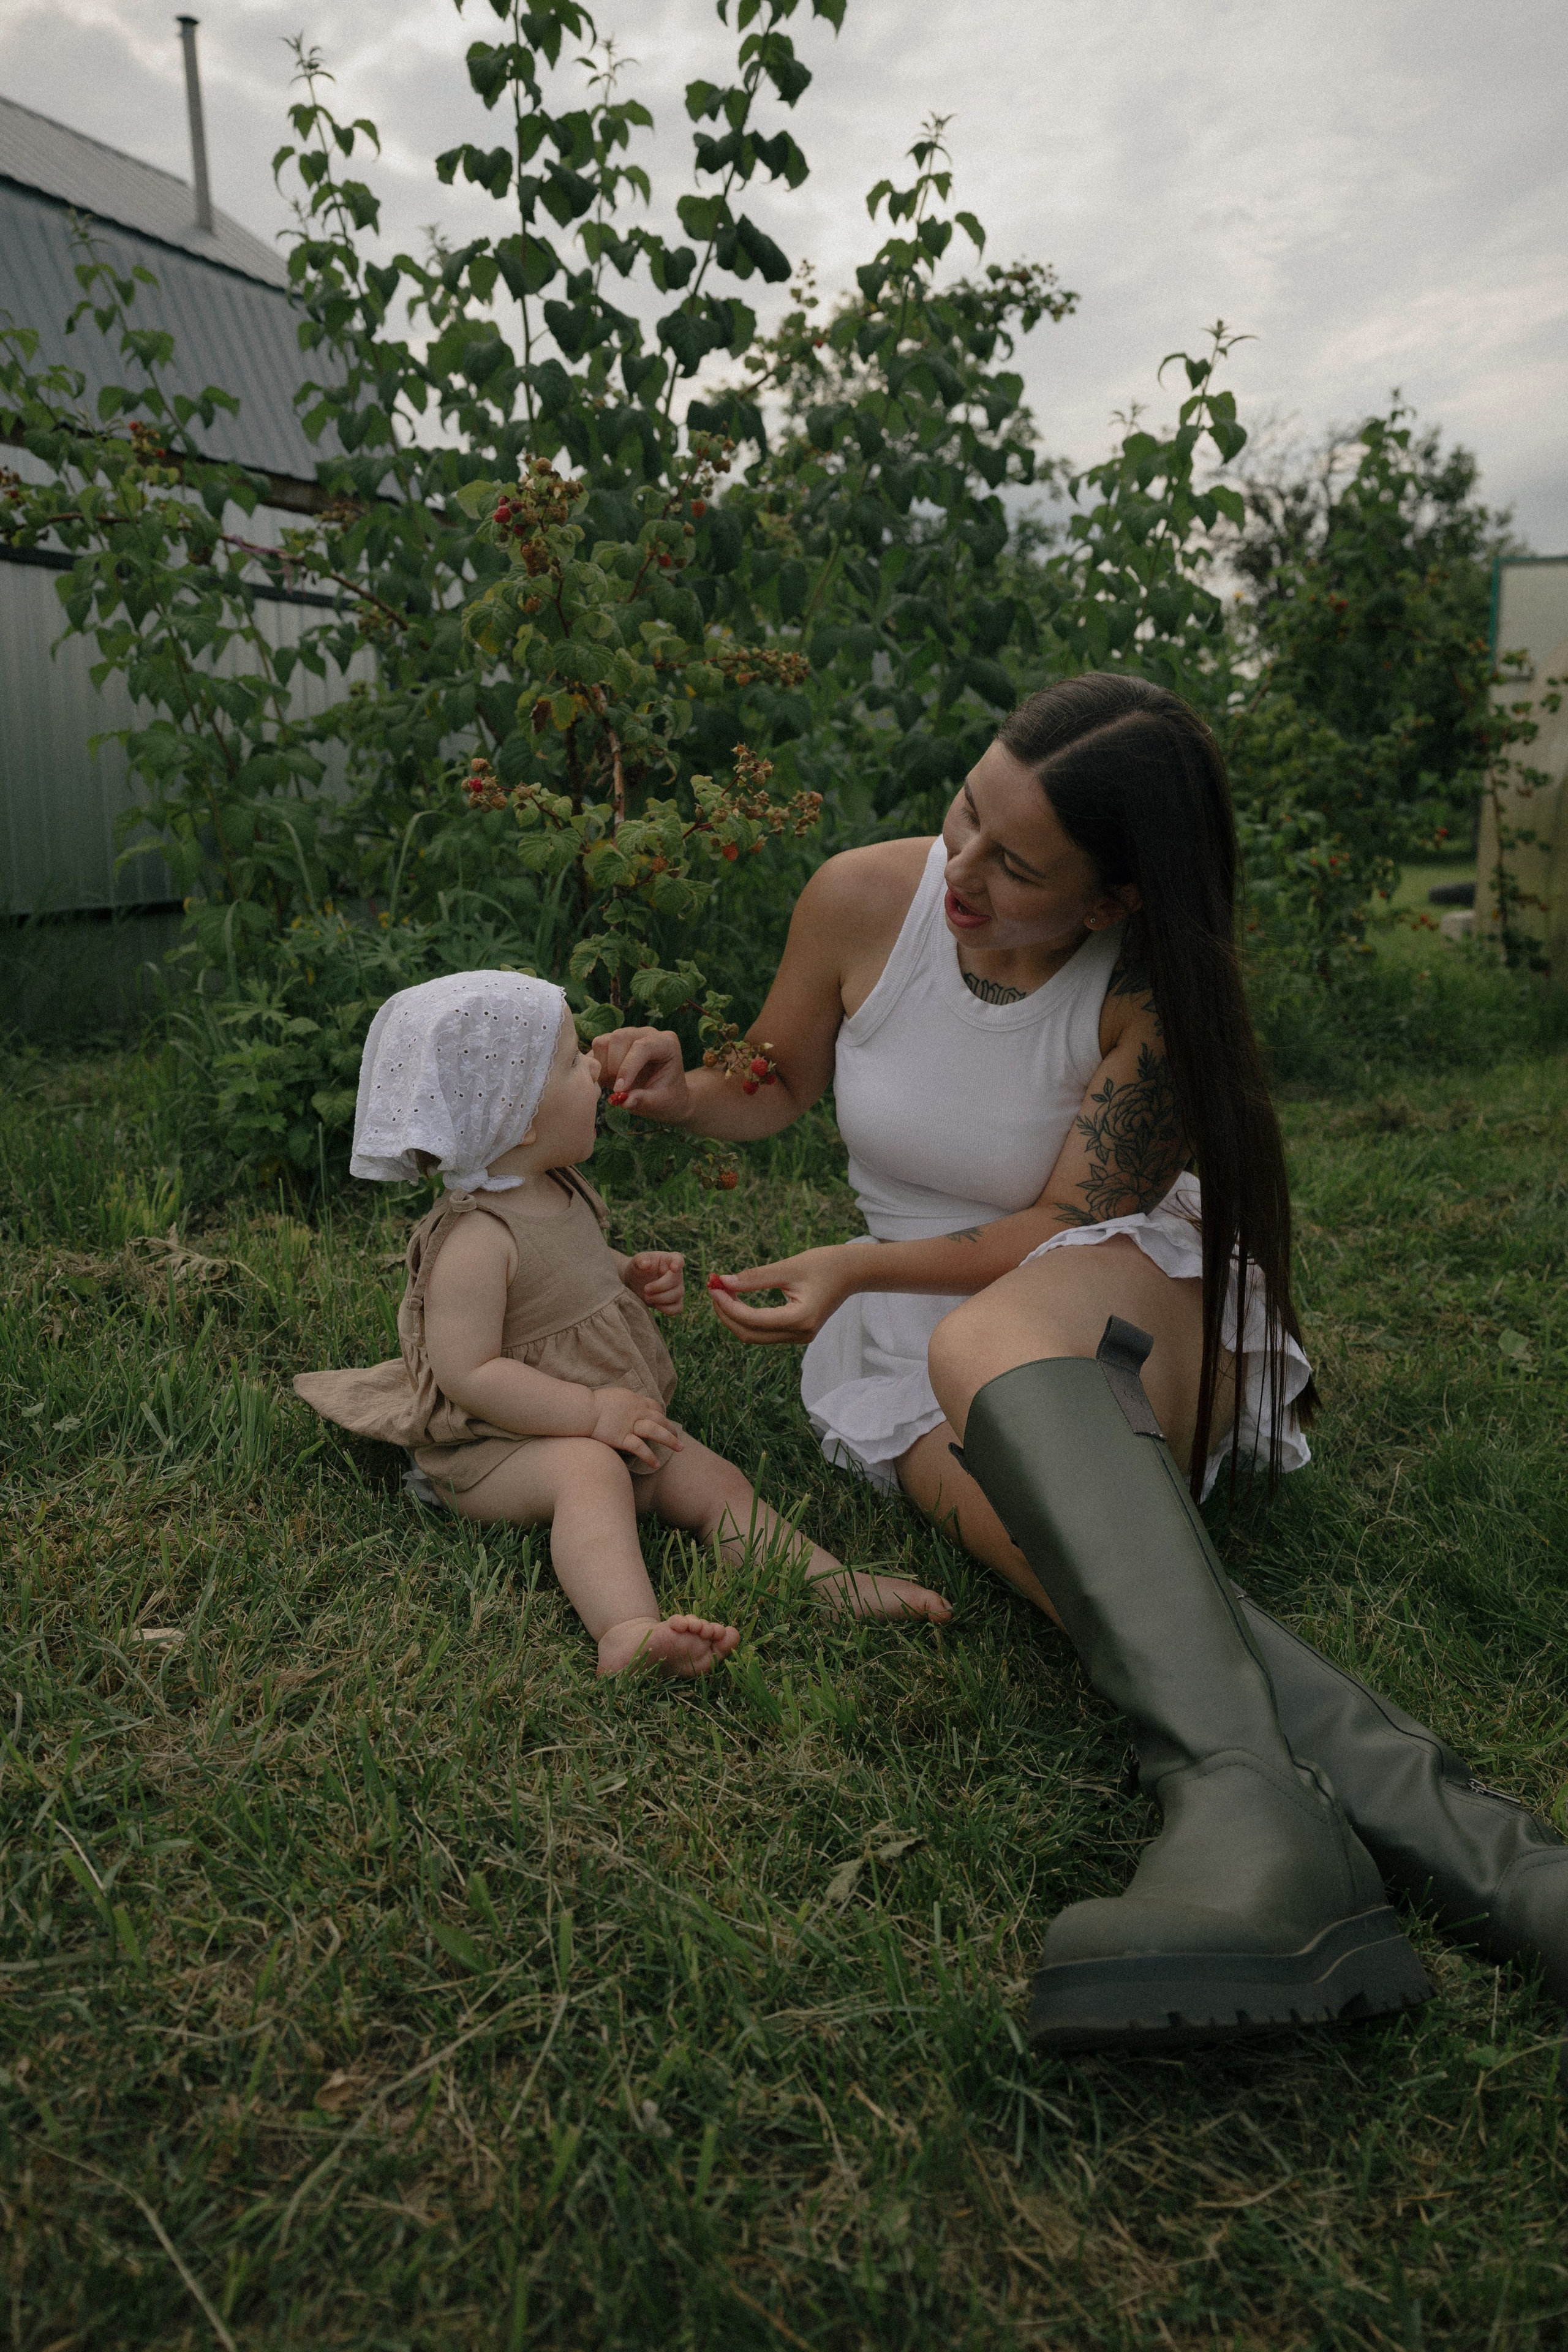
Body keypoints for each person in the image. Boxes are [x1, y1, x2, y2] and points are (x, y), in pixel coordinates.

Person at [594, 673, 1567, 2042]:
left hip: (1110, 1290)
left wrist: (860, 1264)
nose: (962, 872)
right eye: (964, 815)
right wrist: (675, 1084)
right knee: (1053, 1560)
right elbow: (774, 1080)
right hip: (907, 1339)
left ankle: (1252, 1817)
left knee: (991, 1336)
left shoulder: (1146, 996)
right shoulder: (862, 896)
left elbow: (1057, 1225)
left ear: (1111, 902)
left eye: (1017, 865)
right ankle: (1495, 1873)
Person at [295, 971, 949, 1682]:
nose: (594, 1068)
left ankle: (831, 1584)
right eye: (573, 1061)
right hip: (492, 1449)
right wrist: (590, 1411)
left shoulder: (556, 1185)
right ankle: (627, 1630)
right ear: (519, 1121)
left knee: (715, 1479)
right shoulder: (474, 1242)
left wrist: (626, 1273)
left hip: (594, 1419)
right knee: (591, 1471)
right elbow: (468, 1372)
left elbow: (567, 1270)